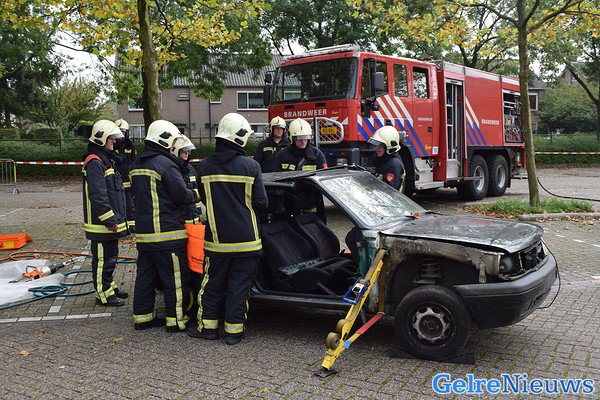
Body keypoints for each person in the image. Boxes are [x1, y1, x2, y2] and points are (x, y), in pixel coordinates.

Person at [188, 113, 268, 345]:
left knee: (212, 285)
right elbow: (262, 203)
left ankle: (208, 329)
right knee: (239, 288)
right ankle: (234, 332)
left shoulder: (204, 167)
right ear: (240, 137)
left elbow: (204, 198)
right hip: (247, 242)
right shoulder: (251, 166)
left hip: (217, 241)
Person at [130, 120, 198, 332]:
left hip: (145, 236)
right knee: (175, 279)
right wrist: (197, 194)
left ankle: (143, 317)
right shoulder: (166, 165)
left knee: (145, 277)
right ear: (164, 140)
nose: (173, 146)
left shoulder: (136, 165)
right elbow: (182, 195)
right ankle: (176, 320)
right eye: (173, 141)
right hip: (168, 235)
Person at [82, 119, 128, 307]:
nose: (114, 141)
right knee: (103, 260)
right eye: (111, 138)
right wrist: (109, 219)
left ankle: (110, 288)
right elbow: (98, 194)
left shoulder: (104, 160)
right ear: (101, 138)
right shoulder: (95, 162)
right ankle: (103, 295)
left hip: (107, 223)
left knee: (110, 258)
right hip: (101, 224)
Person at [171, 135, 201, 224]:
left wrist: (198, 211)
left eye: (188, 151)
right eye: (184, 151)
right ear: (176, 151)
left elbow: (195, 189)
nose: (187, 153)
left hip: (194, 218)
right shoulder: (172, 169)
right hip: (180, 220)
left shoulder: (190, 168)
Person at [114, 119, 137, 230]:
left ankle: (132, 224)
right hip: (115, 178)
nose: (121, 133)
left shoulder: (130, 145)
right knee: (117, 202)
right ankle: (120, 223)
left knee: (130, 202)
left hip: (128, 179)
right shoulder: (112, 145)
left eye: (123, 131)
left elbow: (134, 161)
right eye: (119, 131)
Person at [368, 125, 405, 191]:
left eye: (380, 145)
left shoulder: (394, 165)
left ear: (389, 146)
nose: (377, 148)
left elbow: (389, 190)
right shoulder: (380, 160)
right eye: (376, 145)